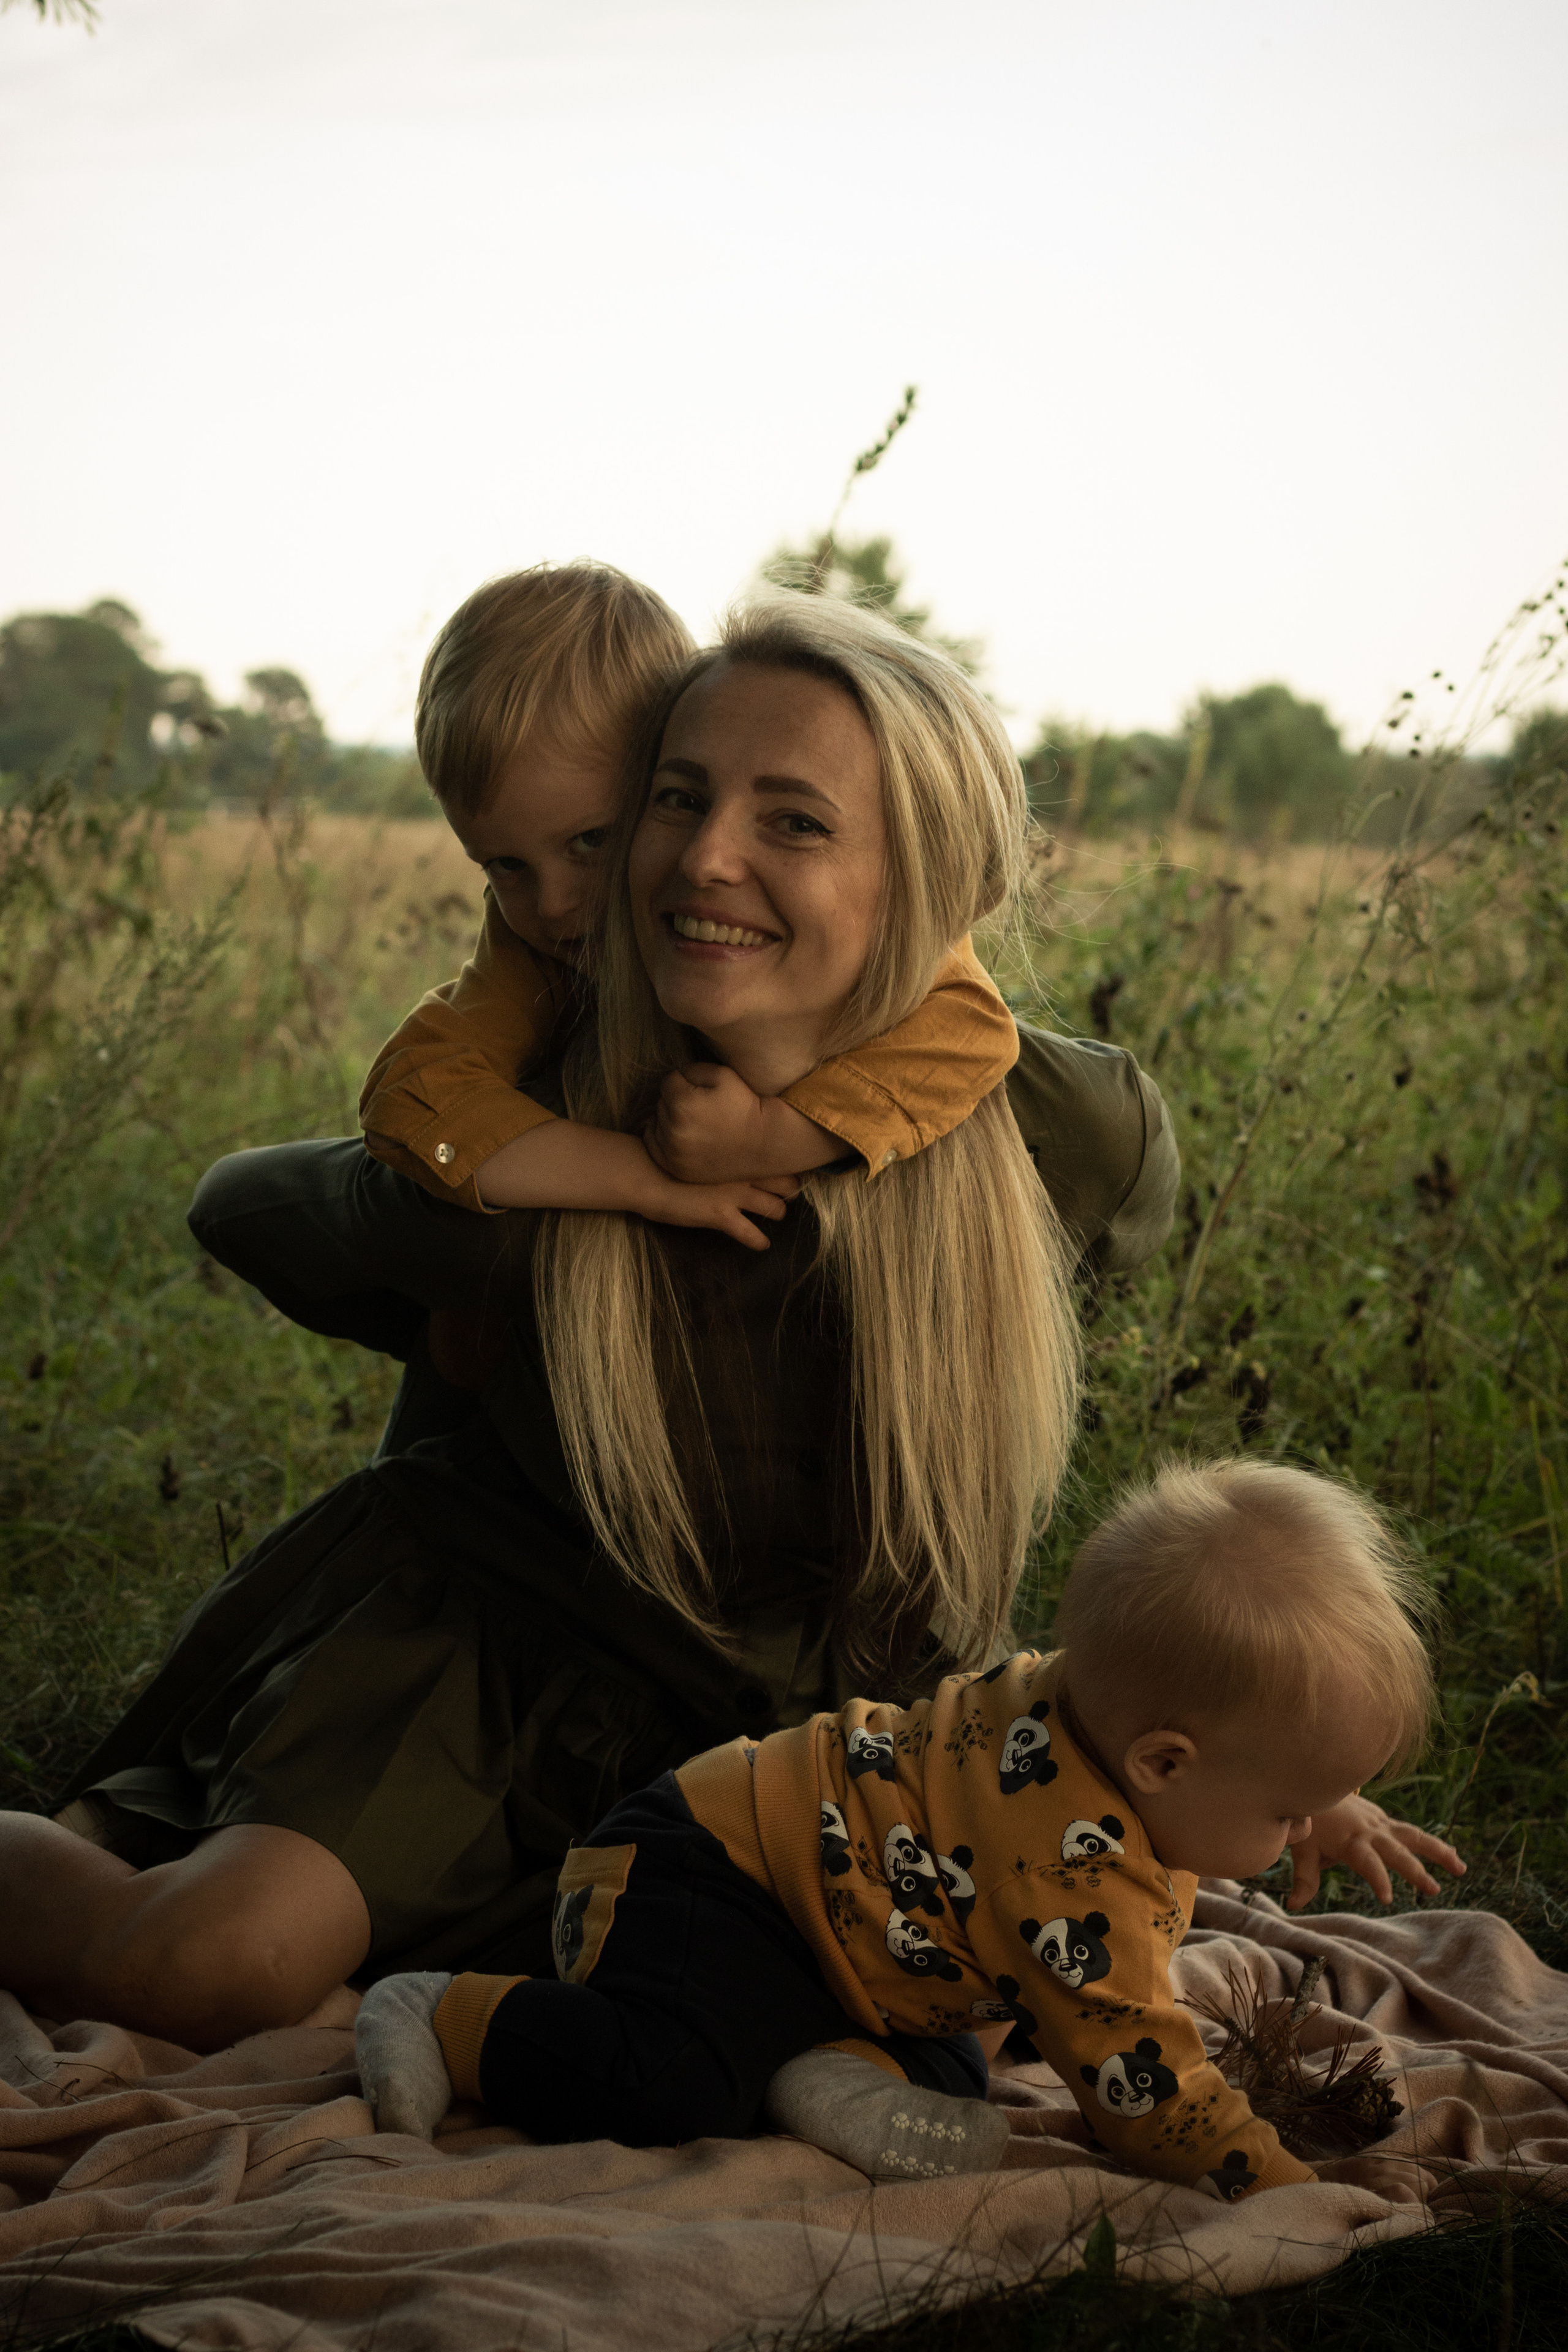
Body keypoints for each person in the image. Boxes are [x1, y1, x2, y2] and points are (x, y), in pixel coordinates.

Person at [5, 589, 1178, 2052]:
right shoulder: (546, 1125)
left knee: (922, 2005)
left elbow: (1094, 1263)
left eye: (794, 822)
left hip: (819, 1697)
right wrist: (499, 1214)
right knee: (213, 1968)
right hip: (489, 1676)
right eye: (675, 799)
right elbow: (248, 1209)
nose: (702, 857)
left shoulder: (1058, 1132)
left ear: (929, 874)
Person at [355, 1458, 1466, 2200]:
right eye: (1288, 1811)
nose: (1300, 1828)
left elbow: (1242, 1744)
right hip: (706, 1871)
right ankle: (457, 2017)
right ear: (1163, 1765)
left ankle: (828, 2067)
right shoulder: (1072, 1880)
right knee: (676, 2084)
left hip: (868, 1947)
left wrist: (1326, 1795)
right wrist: (1287, 2188)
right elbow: (1152, 2099)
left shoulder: (1096, 1700)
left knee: (964, 2065)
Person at [190, 562, 1024, 1458]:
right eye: (503, 867)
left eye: (592, 842)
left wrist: (777, 1137)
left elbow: (974, 1029)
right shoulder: (531, 954)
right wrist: (638, 1177)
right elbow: (414, 1103)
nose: (552, 905)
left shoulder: (987, 1066)